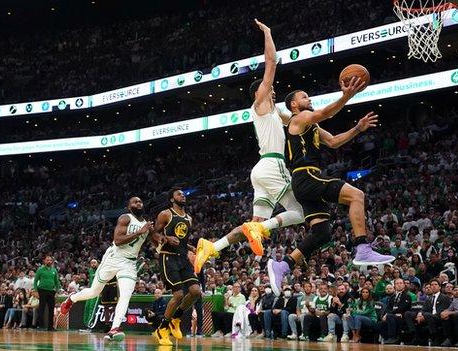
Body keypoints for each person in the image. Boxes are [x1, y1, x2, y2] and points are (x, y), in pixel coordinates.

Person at [194, 19, 304, 273]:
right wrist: (267, 32)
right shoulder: (261, 104)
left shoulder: (276, 113)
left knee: (253, 225)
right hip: (272, 164)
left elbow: (303, 120)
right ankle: (260, 228)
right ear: (261, 93)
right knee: (299, 212)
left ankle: (212, 246)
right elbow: (271, 63)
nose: (274, 90)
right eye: (271, 88)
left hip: (260, 171)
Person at [268, 75, 394, 296]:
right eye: (304, 96)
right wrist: (346, 96)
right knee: (356, 195)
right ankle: (362, 247)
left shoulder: (310, 125)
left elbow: (334, 141)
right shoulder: (300, 118)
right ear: (294, 105)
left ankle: (284, 264)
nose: (309, 98)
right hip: (306, 176)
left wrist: (357, 129)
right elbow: (325, 113)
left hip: (304, 182)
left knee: (322, 233)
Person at [60, 197, 154, 341]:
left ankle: (114, 329)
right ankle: (72, 298)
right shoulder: (125, 218)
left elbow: (156, 239)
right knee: (94, 292)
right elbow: (118, 240)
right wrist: (140, 232)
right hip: (114, 257)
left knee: (125, 295)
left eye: (141, 202)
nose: (139, 203)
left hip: (129, 264)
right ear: (129, 207)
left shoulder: (147, 225)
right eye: (135, 202)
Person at [152, 188, 202, 345]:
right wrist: (166, 238)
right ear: (172, 199)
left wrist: (190, 248)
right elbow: (153, 233)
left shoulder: (189, 218)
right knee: (178, 295)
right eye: (179, 194)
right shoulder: (165, 214)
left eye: (183, 194)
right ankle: (162, 328)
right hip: (168, 257)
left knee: (195, 292)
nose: (183, 196)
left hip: (182, 258)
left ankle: (176, 318)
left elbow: (182, 241)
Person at [404, 279, 451, 346]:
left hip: (438, 318)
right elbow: (423, 309)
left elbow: (441, 311)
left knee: (427, 315)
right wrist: (420, 315)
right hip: (427, 317)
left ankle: (435, 337)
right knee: (408, 313)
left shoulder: (444, 297)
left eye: (435, 284)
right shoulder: (429, 299)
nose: (433, 286)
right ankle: (413, 334)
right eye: (432, 285)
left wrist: (426, 316)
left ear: (440, 287)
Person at [379, 278, 412, 344]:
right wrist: (385, 315)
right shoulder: (392, 297)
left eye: (400, 283)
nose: (399, 285)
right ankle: (386, 338)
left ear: (404, 285)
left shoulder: (407, 296)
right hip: (392, 316)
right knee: (380, 324)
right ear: (394, 286)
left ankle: (392, 338)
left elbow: (403, 308)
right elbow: (388, 308)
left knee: (390, 316)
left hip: (402, 317)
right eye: (397, 283)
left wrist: (390, 314)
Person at [33, 256, 61, 331]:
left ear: (52, 261)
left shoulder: (54, 270)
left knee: (51, 309)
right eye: (47, 260)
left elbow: (57, 282)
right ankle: (40, 326)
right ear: (44, 261)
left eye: (50, 260)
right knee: (41, 309)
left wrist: (57, 291)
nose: (49, 261)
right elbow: (35, 281)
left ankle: (50, 327)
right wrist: (35, 291)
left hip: (51, 291)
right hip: (42, 290)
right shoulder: (40, 269)